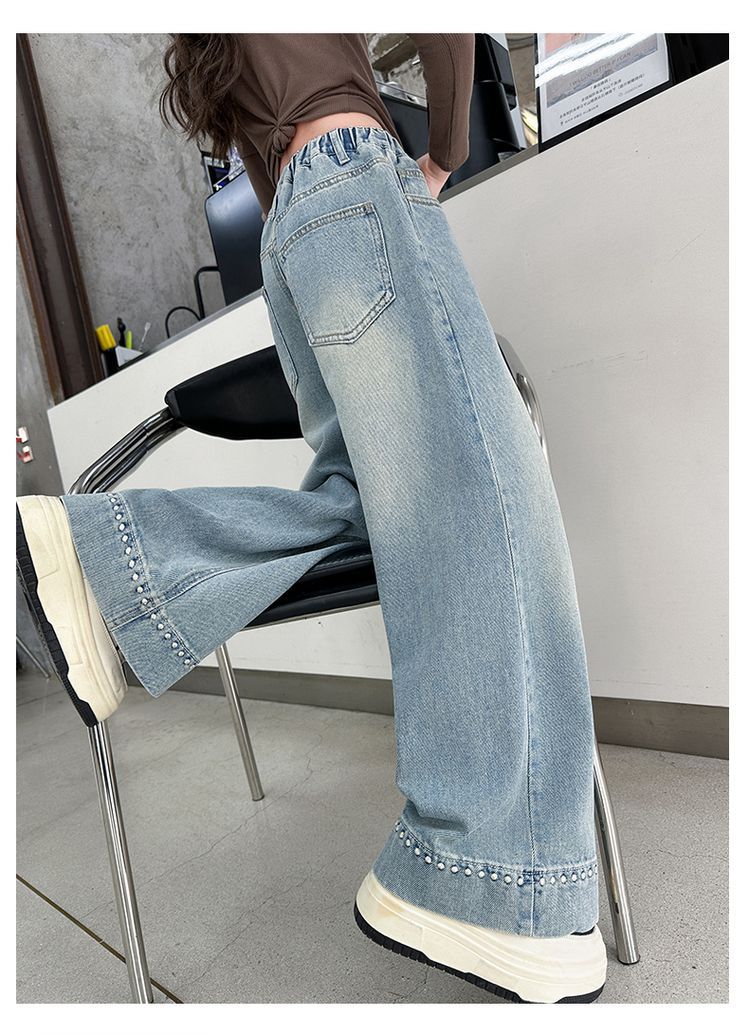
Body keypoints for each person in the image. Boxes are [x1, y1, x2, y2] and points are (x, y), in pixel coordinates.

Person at [16, 33, 606, 1003]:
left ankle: (107, 563)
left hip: (295, 227)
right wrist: (441, 151)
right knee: (487, 499)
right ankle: (500, 884)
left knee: (389, 502)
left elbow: (273, 160)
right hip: (357, 177)